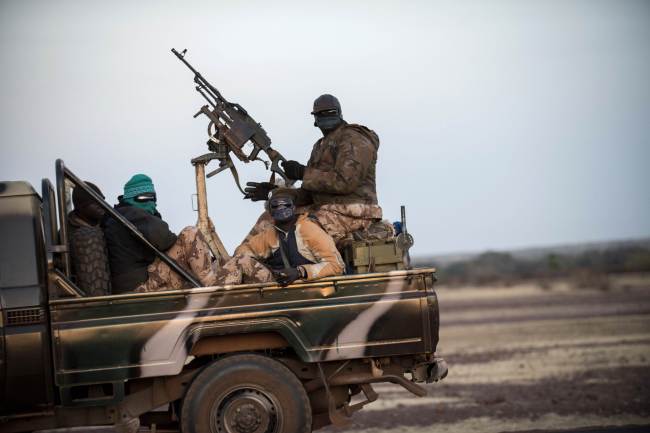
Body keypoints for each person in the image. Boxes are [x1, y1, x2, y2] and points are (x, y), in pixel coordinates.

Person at [241, 94, 382, 248]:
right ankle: (239, 262)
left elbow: (345, 182)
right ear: (315, 120)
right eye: (322, 114)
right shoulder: (320, 146)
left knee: (296, 231)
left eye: (330, 113)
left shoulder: (354, 138)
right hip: (326, 209)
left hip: (355, 212)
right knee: (271, 218)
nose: (326, 118)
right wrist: (274, 193)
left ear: (339, 114)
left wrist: (302, 173)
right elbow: (310, 193)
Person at [103, 174, 218, 294]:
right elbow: (164, 239)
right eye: (148, 198)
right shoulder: (131, 214)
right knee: (190, 233)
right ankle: (212, 286)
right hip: (140, 287)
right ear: (138, 197)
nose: (152, 203)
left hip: (135, 283)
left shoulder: (121, 215)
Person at [216, 188, 345, 286]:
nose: (281, 208)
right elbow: (242, 251)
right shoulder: (271, 233)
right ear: (269, 211)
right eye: (276, 205)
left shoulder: (308, 229)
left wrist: (300, 272)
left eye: (286, 204)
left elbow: (337, 266)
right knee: (233, 260)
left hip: (312, 290)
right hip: (282, 289)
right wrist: (266, 267)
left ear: (294, 208)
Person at [67, 181, 111, 296]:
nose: (102, 205)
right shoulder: (67, 232)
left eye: (102, 200)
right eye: (96, 202)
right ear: (81, 207)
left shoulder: (109, 222)